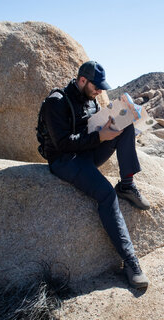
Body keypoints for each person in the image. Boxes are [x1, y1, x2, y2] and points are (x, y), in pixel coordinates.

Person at [39, 60, 150, 288]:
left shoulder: (91, 101)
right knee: (106, 194)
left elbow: (95, 127)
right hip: (64, 160)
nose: (99, 91)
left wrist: (111, 124)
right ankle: (130, 262)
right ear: (82, 80)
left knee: (125, 125)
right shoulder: (56, 102)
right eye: (96, 86)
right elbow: (61, 144)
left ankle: (127, 184)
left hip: (86, 152)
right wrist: (100, 137)